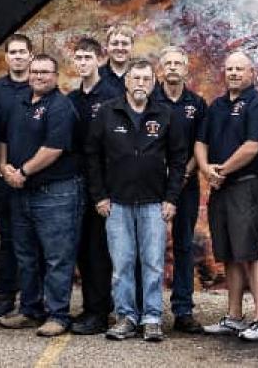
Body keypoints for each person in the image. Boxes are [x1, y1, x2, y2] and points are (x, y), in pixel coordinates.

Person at [86, 59, 188, 342]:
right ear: (126, 82)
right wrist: (100, 196)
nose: (141, 83)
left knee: (154, 263)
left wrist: (171, 198)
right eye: (136, 78)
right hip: (116, 203)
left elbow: (179, 160)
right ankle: (126, 317)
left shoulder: (165, 115)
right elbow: (92, 156)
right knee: (122, 264)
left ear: (153, 83)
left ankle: (152, 318)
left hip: (154, 203)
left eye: (146, 79)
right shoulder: (108, 112)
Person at [0, 52, 82, 338]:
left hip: (55, 193)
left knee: (57, 257)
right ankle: (30, 310)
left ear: (56, 76)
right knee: (26, 255)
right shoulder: (20, 102)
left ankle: (58, 314)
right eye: (35, 72)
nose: (38, 76)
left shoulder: (61, 106)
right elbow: (5, 139)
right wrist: (5, 167)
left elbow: (54, 148)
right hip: (21, 193)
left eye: (45, 72)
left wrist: (22, 172)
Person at [196, 51, 258, 341]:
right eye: (229, 69)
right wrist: (206, 170)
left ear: (252, 72)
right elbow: (200, 142)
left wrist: (223, 170)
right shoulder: (216, 105)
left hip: (247, 186)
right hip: (221, 187)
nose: (234, 73)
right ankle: (234, 317)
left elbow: (253, 146)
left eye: (240, 69)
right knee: (228, 253)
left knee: (252, 252)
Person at [67, 37, 123, 335]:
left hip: (104, 186)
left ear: (100, 59)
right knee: (83, 252)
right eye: (79, 57)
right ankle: (91, 307)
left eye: (88, 56)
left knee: (99, 252)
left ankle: (100, 313)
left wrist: (105, 190)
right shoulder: (72, 100)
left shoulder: (113, 96)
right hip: (77, 184)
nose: (83, 62)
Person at [0, 33, 35, 319]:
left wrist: (27, 170)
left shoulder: (40, 84)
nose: (17, 56)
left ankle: (33, 299)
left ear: (31, 54)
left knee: (34, 242)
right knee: (9, 240)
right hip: (2, 177)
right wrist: (1, 167)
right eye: (12, 52)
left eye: (21, 52)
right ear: (7, 57)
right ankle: (5, 296)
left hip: (35, 178)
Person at [158, 45, 208, 333]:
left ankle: (183, 310)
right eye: (169, 63)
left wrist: (181, 174)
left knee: (184, 246)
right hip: (152, 185)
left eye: (179, 63)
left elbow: (201, 146)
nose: (173, 67)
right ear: (161, 69)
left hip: (186, 184)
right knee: (150, 248)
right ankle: (146, 309)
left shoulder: (197, 104)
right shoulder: (150, 98)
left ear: (186, 68)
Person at [100, 24, 136, 90]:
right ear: (107, 46)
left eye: (125, 44)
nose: (120, 48)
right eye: (115, 43)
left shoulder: (144, 76)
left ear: (132, 46)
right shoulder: (96, 76)